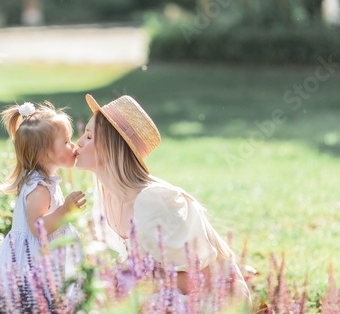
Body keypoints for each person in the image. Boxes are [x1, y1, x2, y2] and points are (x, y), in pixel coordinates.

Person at [75, 94, 250, 301]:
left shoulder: (153, 201)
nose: (78, 142)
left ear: (112, 146)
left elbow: (195, 281)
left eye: (89, 136)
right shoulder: (105, 197)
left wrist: (131, 281)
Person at [0, 101, 86, 294]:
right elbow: (37, 227)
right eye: (66, 141)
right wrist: (65, 210)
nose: (73, 145)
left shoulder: (45, 182)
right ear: (45, 153)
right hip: (33, 263)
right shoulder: (39, 189)